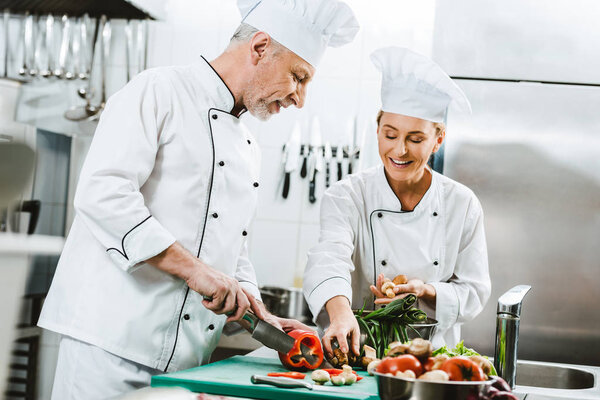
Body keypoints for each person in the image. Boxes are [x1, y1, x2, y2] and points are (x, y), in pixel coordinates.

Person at [38, 1, 359, 398]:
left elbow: (230, 247)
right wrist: (194, 271)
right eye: (298, 77)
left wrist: (259, 312)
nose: (300, 99)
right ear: (260, 48)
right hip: (109, 348)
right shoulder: (158, 90)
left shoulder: (248, 145)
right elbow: (103, 193)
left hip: (185, 361)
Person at [303, 47, 491, 360]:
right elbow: (328, 258)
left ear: (438, 139)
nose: (399, 150)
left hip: (430, 362)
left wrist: (425, 291)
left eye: (416, 139)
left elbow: (474, 292)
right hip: (358, 354)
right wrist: (339, 314)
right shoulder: (347, 195)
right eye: (390, 134)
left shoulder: (462, 204)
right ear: (377, 130)